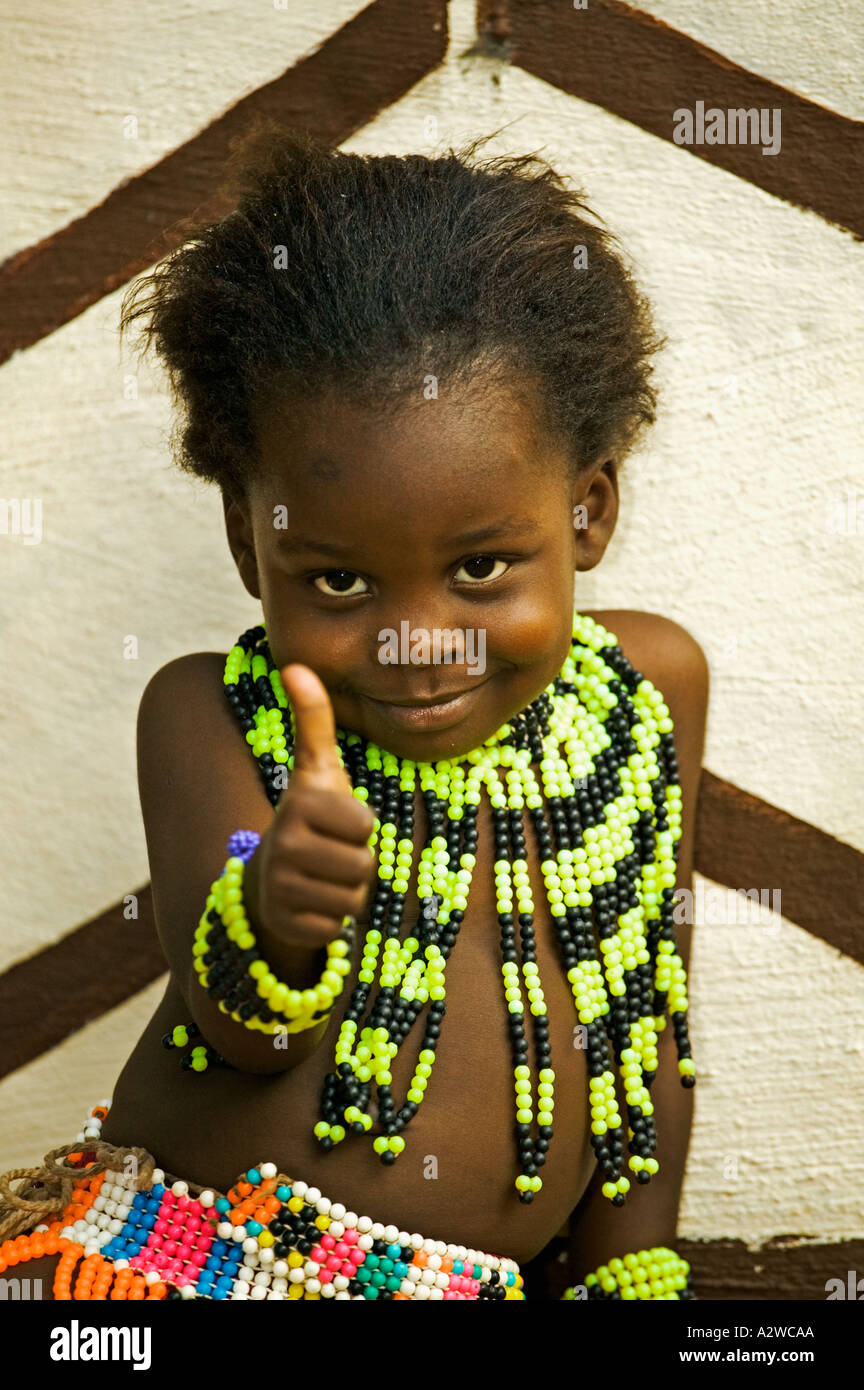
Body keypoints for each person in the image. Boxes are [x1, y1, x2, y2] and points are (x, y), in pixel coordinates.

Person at [0, 122, 708, 1302]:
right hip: (179, 1266)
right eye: (339, 581)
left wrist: (634, 1273)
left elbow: (647, 1020)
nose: (417, 640)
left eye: (482, 568)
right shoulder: (212, 714)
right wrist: (276, 906)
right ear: (248, 541)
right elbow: (248, 1037)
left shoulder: (647, 693)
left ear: (588, 513)